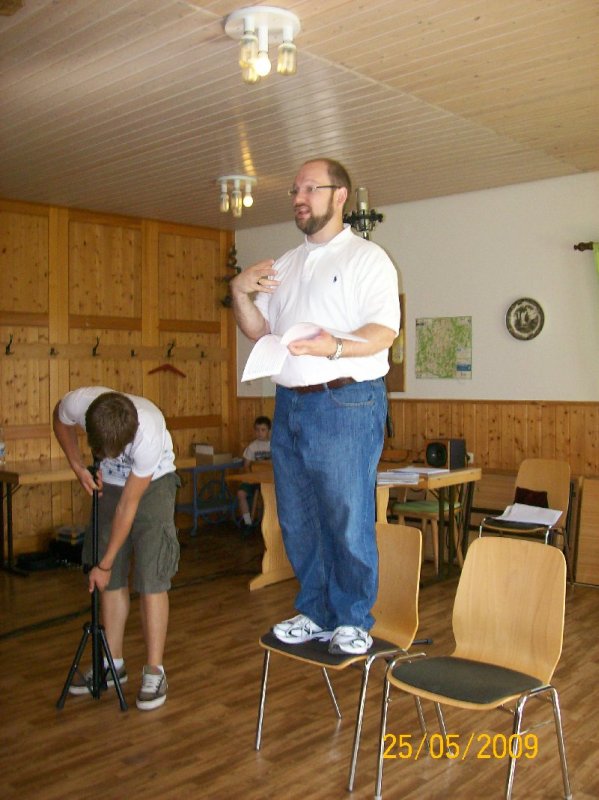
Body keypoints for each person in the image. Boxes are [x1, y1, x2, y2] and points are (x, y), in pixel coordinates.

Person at [231, 158, 400, 655]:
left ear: (340, 195)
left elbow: (383, 332)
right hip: (290, 403)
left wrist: (335, 346)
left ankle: (352, 619)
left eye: (310, 188)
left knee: (347, 514)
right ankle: (316, 612)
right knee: (298, 516)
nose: (299, 198)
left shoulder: (368, 259)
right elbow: (259, 330)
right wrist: (239, 291)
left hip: (347, 400)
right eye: (294, 190)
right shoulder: (284, 265)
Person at [52, 386, 180, 710]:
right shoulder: (80, 403)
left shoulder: (148, 433)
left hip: (153, 483)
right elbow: (59, 418)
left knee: (151, 576)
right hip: (109, 485)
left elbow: (128, 506)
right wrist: (77, 465)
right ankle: (113, 664)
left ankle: (155, 671)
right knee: (111, 580)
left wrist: (105, 563)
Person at [237, 415, 272, 530]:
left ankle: (271, 522)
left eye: (263, 430)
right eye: (257, 430)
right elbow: (246, 466)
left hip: (270, 481)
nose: (260, 433)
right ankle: (247, 521)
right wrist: (251, 477)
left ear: (269, 431)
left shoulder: (274, 445)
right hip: (254, 478)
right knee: (241, 493)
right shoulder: (252, 447)